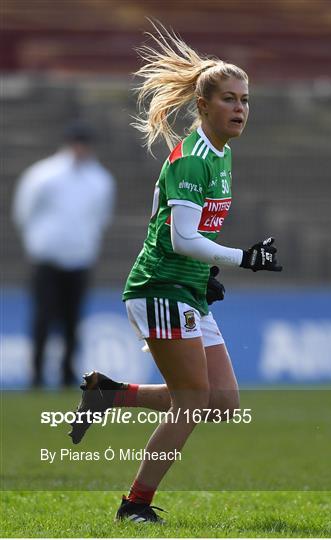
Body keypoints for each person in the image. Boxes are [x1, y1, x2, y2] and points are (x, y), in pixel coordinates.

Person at [68, 23, 282, 524]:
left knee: (221, 401)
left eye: (246, 100)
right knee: (192, 401)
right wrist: (241, 258)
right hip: (160, 285)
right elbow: (182, 238)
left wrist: (206, 273)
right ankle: (134, 506)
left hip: (185, 287)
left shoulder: (223, 155)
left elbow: (186, 229)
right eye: (229, 99)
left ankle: (109, 394)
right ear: (203, 106)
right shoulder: (193, 160)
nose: (240, 109)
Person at [12, 120, 115, 387]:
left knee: (72, 320)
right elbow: (23, 212)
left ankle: (67, 375)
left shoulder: (100, 180)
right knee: (43, 318)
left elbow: (100, 218)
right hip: (47, 259)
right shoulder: (44, 175)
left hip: (79, 259)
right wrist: (37, 244)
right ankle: (36, 375)